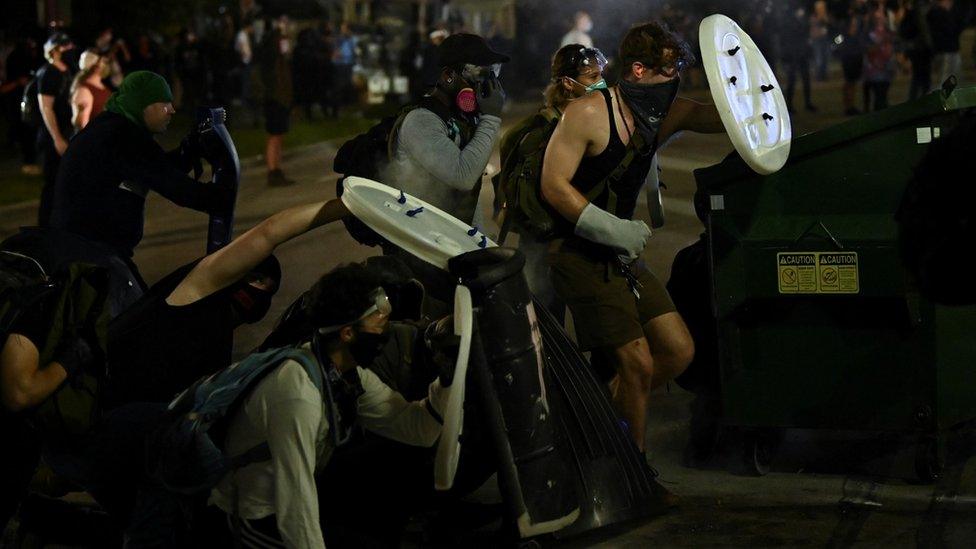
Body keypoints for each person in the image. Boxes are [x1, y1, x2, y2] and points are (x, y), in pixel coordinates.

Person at [541, 21, 724, 453]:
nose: (674, 79)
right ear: (637, 70)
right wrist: (613, 228)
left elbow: (724, 115)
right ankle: (634, 471)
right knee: (638, 363)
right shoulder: (587, 112)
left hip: (620, 256)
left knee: (678, 352)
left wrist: (758, 93)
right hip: (577, 252)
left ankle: (596, 417)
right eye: (666, 69)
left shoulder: (666, 114)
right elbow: (553, 184)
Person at [205, 262, 449, 548]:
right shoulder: (297, 395)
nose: (386, 333)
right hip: (250, 516)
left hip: (290, 497)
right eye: (380, 325)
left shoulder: (343, 374)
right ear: (347, 333)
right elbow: (295, 510)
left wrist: (446, 376)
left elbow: (419, 429)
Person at [106, 198, 349, 408]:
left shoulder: (219, 338)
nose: (262, 291)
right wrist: (347, 205)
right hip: (105, 406)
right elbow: (272, 231)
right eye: (255, 279)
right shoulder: (199, 288)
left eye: (269, 288)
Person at [49, 70, 232, 314]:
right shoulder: (122, 136)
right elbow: (175, 187)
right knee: (137, 327)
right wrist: (222, 196)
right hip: (93, 260)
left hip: (83, 252)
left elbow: (155, 169)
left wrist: (190, 150)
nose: (172, 109)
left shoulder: (114, 128)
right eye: (164, 102)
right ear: (143, 105)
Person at [384, 33, 508, 303]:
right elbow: (462, 177)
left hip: (453, 249)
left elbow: (466, 197)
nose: (486, 83)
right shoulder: (421, 120)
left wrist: (483, 241)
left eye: (492, 73)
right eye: (479, 74)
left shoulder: (461, 118)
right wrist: (491, 118)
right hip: (423, 257)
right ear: (449, 76)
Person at [497, 44, 609, 318]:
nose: (601, 83)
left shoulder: (587, 118)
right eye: (592, 77)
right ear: (569, 84)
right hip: (548, 243)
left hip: (572, 237)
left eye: (601, 74)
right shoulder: (549, 129)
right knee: (550, 328)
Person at [35, 32, 74, 227]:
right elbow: (46, 107)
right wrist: (57, 138)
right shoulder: (48, 72)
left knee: (65, 184)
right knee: (52, 184)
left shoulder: (65, 71)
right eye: (65, 47)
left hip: (66, 133)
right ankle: (44, 229)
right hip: (52, 137)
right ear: (55, 50)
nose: (70, 50)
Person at [259, 15, 296, 187]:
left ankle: (276, 169)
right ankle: (273, 170)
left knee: (277, 135)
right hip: (276, 97)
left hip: (277, 96)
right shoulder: (275, 48)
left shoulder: (273, 50)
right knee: (275, 135)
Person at [70, 49, 111, 132]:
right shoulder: (84, 91)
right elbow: (83, 126)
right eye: (102, 61)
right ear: (96, 66)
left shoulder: (102, 87)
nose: (106, 63)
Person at [927, 0, 963, 88]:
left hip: (948, 50)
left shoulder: (937, 12)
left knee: (950, 78)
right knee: (945, 79)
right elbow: (950, 30)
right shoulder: (938, 13)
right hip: (946, 50)